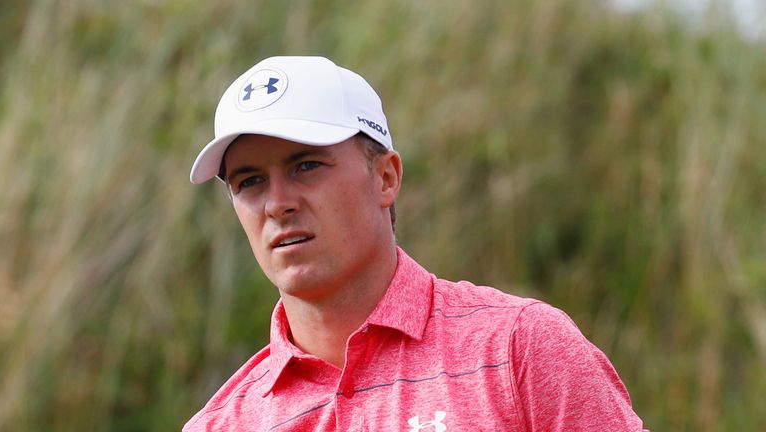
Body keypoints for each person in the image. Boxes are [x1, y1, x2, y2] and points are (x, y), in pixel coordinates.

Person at [184, 56, 648, 431]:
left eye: (306, 166)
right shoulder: (222, 423)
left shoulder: (519, 350)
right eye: (250, 182)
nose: (277, 203)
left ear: (385, 177)